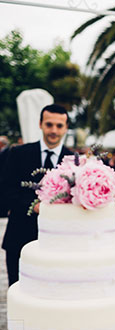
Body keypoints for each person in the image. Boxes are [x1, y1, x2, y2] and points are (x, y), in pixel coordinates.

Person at [1, 104, 72, 286]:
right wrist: (35, 206)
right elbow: (6, 192)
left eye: (59, 126)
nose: (54, 130)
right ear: (40, 124)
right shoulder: (17, 153)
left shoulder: (74, 161)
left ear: (66, 127)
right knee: (18, 297)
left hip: (58, 244)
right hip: (19, 238)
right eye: (49, 125)